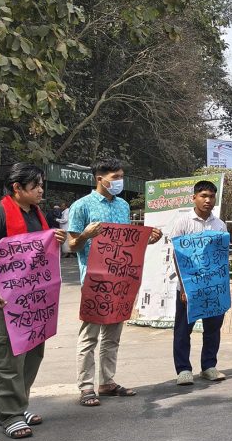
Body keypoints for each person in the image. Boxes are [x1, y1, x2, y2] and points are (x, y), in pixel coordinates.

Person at [0, 163, 66, 439]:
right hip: (6, 298)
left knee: (32, 352)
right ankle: (9, 414)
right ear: (17, 188)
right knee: (7, 356)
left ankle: (20, 404)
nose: (41, 190)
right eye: (35, 185)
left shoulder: (38, 214)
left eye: (41, 184)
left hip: (35, 298)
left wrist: (56, 238)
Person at [68, 158, 162, 407]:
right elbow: (71, 245)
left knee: (113, 335)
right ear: (100, 179)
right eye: (116, 177)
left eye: (121, 176)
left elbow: (126, 241)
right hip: (94, 279)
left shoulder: (123, 206)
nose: (120, 181)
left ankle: (107, 382)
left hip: (121, 278)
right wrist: (85, 235)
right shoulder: (81, 206)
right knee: (89, 336)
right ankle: (86, 387)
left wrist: (148, 239)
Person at [168, 180, 228, 386]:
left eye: (211, 196)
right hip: (189, 288)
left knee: (213, 329)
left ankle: (209, 366)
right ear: (194, 198)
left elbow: (220, 258)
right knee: (183, 330)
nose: (207, 200)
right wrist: (184, 287)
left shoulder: (219, 225)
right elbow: (177, 256)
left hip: (213, 288)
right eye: (203, 196)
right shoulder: (183, 222)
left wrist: (222, 287)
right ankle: (183, 369)